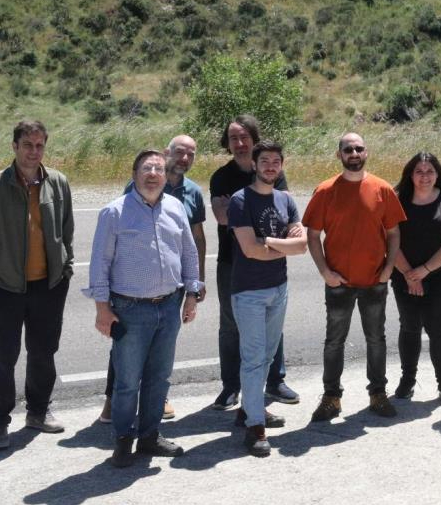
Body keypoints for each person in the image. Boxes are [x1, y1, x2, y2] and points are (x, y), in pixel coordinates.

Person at [87, 150, 203, 467]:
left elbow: (189, 256)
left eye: (158, 168)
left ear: (166, 175)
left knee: (159, 377)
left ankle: (150, 437)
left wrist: (192, 295)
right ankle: (124, 440)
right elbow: (100, 264)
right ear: (135, 174)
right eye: (146, 168)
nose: (153, 173)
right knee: (127, 381)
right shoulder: (114, 212)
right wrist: (102, 308)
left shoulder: (176, 208)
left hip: (169, 306)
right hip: (129, 309)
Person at [0, 120, 75, 450]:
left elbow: (67, 232)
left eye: (39, 145)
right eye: (27, 145)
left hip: (48, 286)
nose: (34, 151)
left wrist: (65, 271)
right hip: (3, 289)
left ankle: (38, 412)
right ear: (14, 147)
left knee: (44, 353)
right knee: (1, 358)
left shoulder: (58, 182)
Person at [305, 132, 406, 421]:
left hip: (374, 281)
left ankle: (377, 394)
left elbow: (394, 232)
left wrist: (388, 269)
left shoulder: (382, 189)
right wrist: (325, 272)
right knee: (334, 341)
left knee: (376, 339)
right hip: (339, 283)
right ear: (339, 155)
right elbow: (313, 235)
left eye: (359, 148)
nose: (353, 153)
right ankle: (331, 398)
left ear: (366, 153)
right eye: (347, 149)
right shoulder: (325, 190)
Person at [209, 115, 297, 410]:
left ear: (254, 139)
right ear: (228, 143)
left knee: (272, 323)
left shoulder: (272, 171)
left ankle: (274, 381)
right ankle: (231, 386)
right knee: (231, 326)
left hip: (272, 263)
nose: (239, 143)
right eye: (233, 138)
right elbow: (223, 217)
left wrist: (263, 240)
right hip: (232, 262)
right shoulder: (221, 176)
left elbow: (289, 220)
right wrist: (271, 236)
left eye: (244, 136)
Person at [228, 141, 307, 456]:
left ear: (282, 165)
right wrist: (279, 245)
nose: (271, 166)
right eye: (265, 161)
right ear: (254, 164)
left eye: (276, 161)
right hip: (248, 291)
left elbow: (301, 246)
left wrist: (268, 240)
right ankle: (255, 428)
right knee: (253, 357)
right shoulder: (240, 200)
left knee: (268, 355)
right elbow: (250, 250)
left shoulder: (286, 200)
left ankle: (249, 409)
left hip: (279, 288)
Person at [391, 152, 441, 406]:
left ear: (438, 174)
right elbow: (390, 240)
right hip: (403, 275)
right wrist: (410, 274)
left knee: (438, 330)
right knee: (409, 327)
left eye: (430, 171)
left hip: (438, 276)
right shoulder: (397, 200)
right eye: (419, 171)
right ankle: (407, 380)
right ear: (410, 174)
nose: (424, 177)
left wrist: (423, 271)